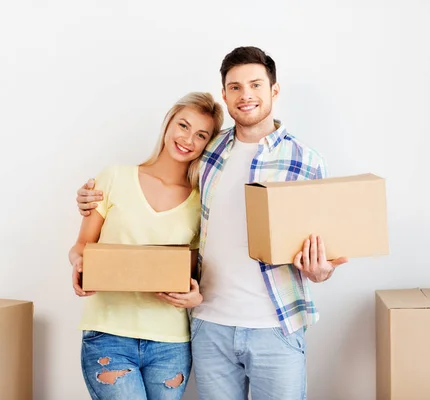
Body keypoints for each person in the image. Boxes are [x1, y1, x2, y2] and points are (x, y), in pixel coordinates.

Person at [76, 47, 348, 400]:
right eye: (235, 87)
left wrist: (320, 271)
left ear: (274, 91)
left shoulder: (306, 162)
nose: (246, 95)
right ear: (225, 94)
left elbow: (327, 254)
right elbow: (158, 199)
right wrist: (87, 199)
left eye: (255, 85)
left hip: (276, 326)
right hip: (209, 325)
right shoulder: (208, 153)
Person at [69, 92, 224, 400]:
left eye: (201, 135)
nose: (188, 139)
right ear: (168, 124)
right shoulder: (114, 177)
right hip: (109, 336)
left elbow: (196, 271)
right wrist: (78, 263)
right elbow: (82, 246)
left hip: (171, 343)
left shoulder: (201, 202)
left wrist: (195, 296)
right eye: (183, 125)